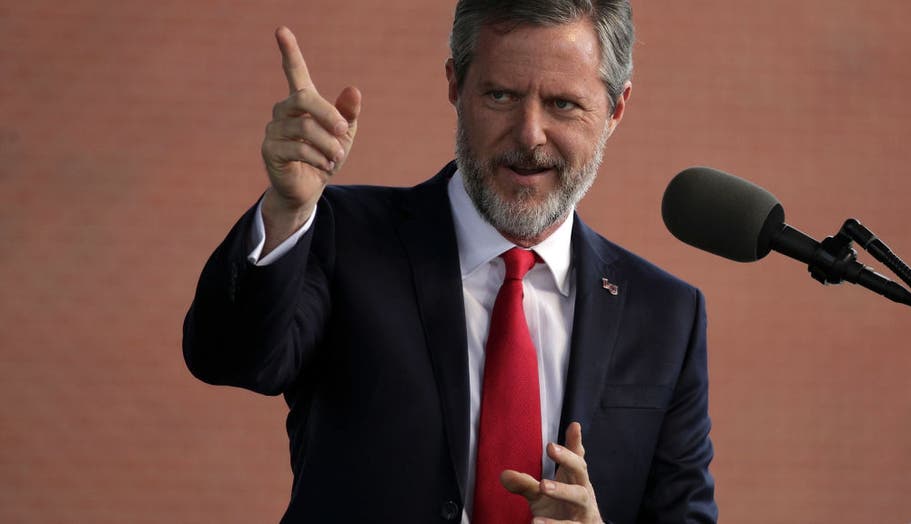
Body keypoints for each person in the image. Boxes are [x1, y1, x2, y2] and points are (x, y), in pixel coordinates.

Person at [183, 1, 717, 522]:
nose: (530, 134)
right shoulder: (342, 234)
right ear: (455, 85)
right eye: (502, 95)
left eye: (562, 104)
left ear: (616, 108)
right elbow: (230, 357)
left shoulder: (668, 314)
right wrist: (286, 209)